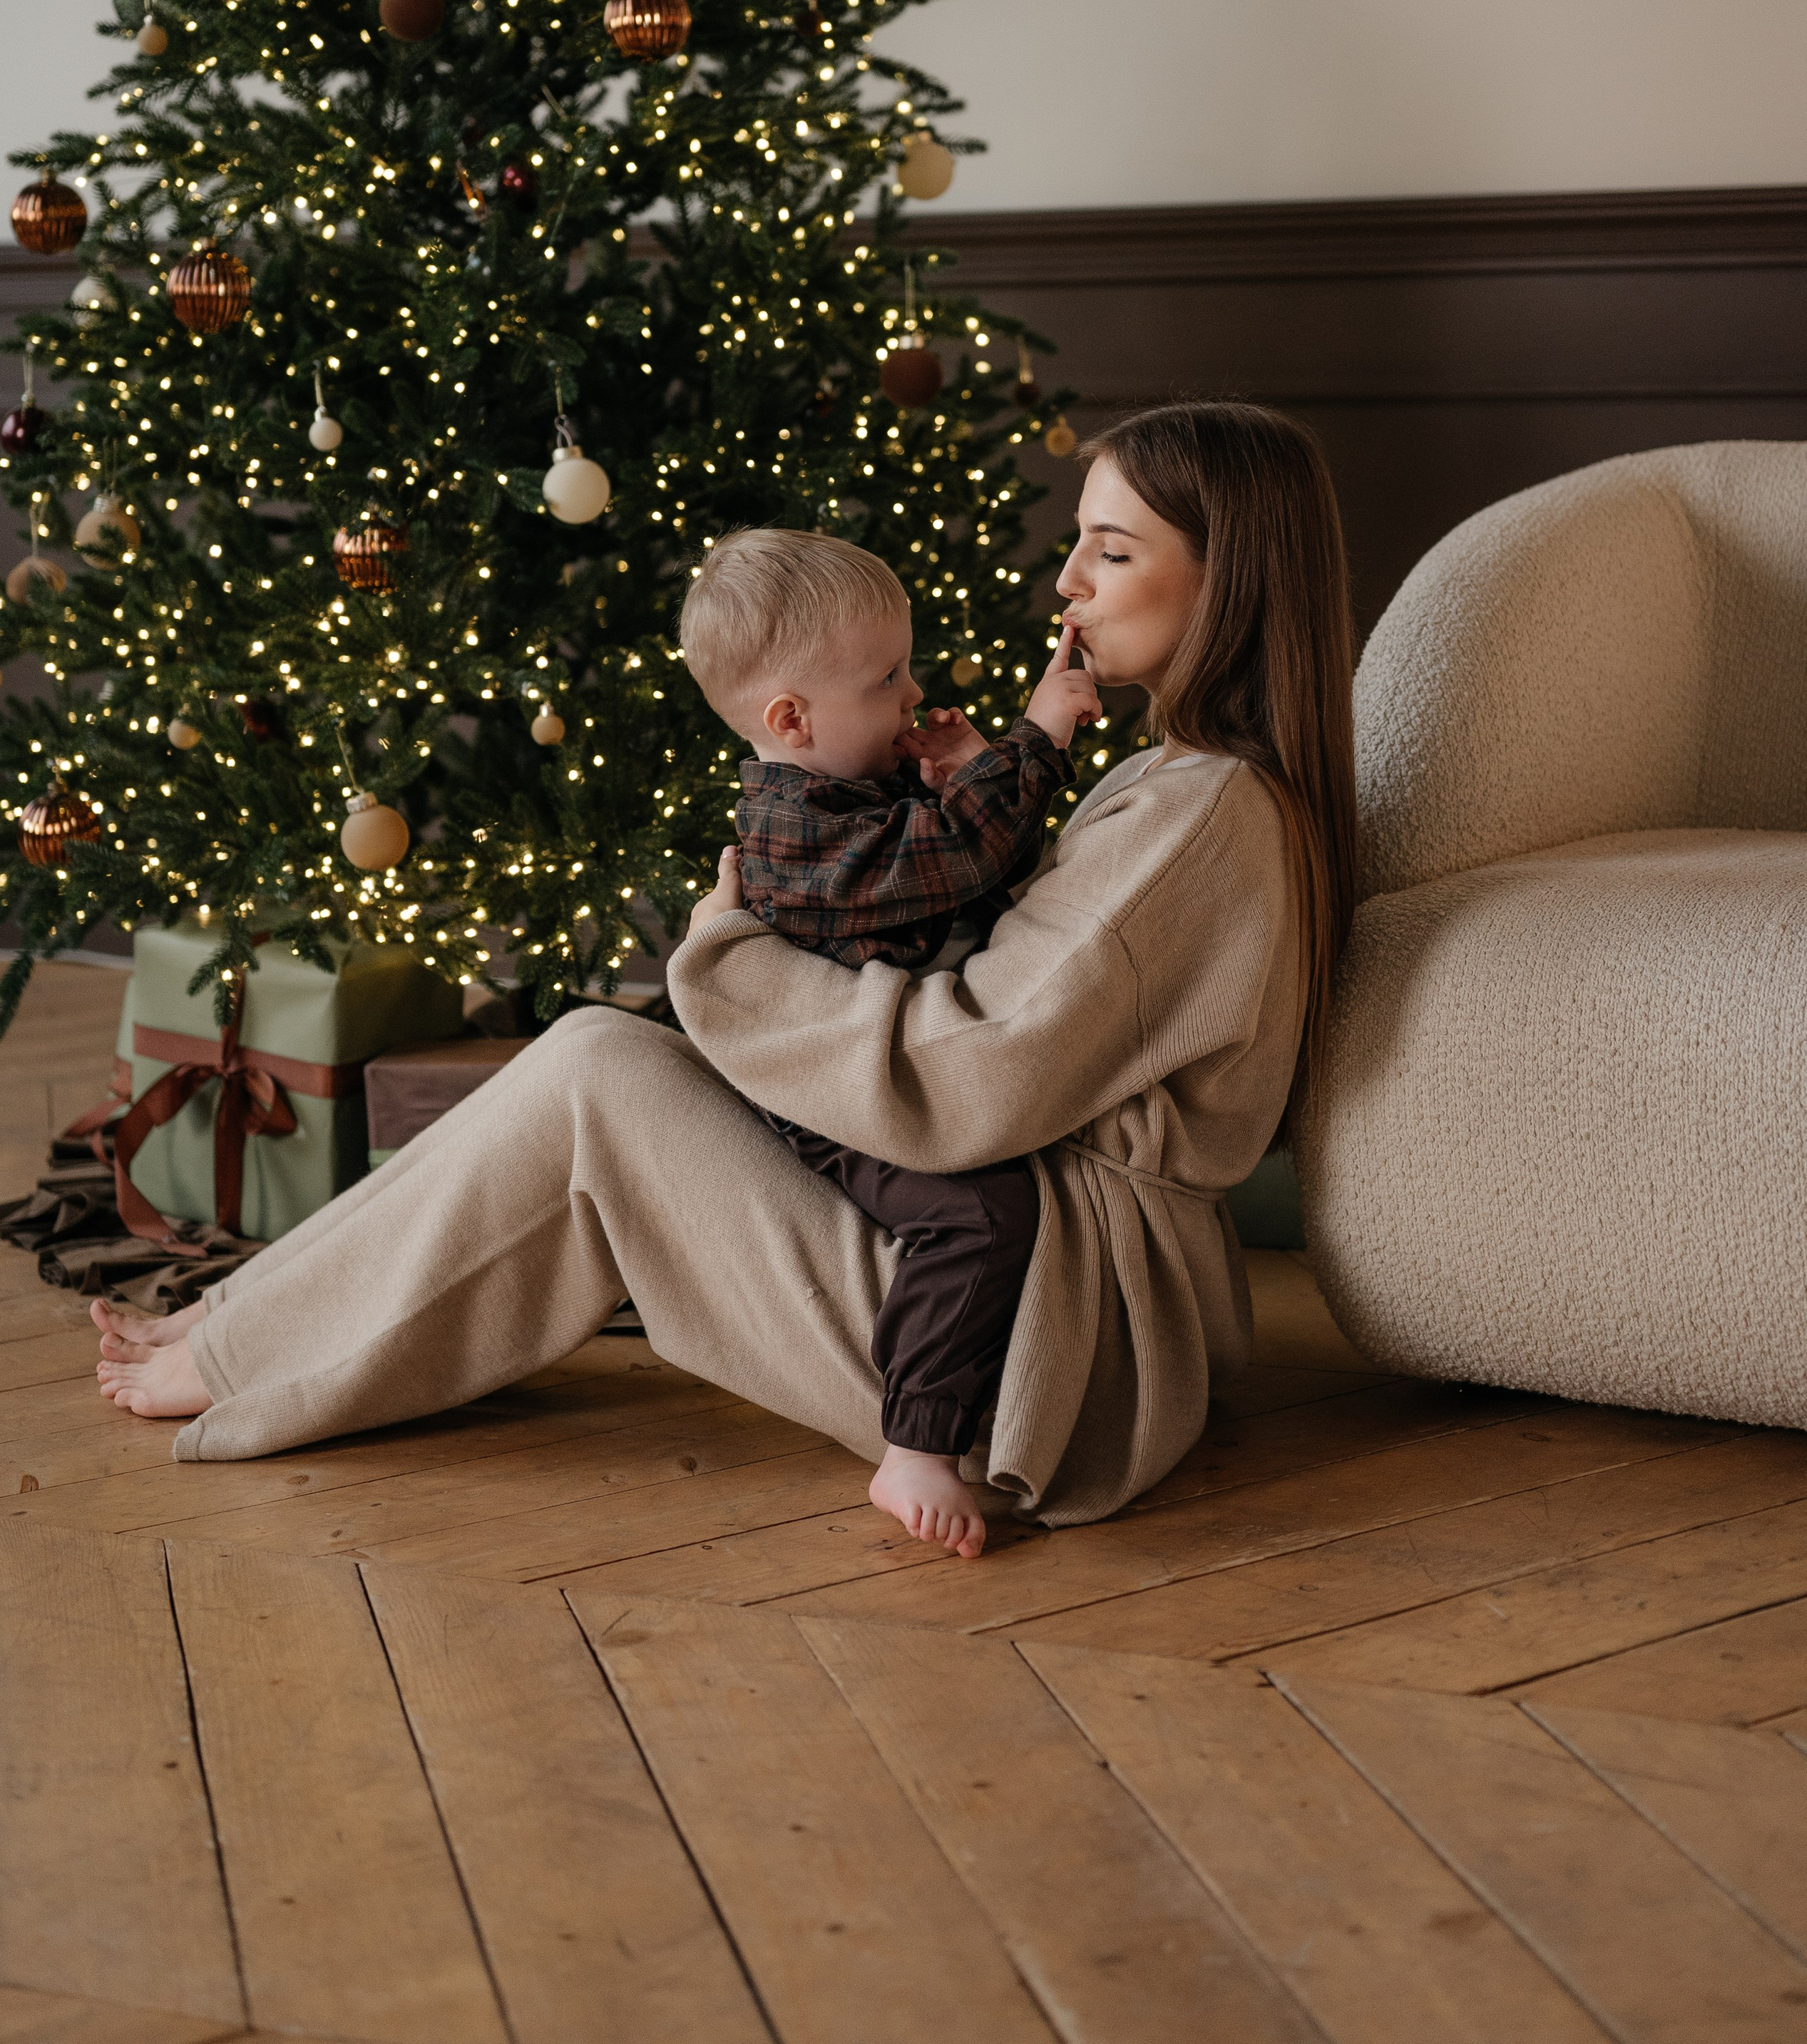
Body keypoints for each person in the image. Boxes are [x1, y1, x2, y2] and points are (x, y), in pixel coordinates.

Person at [93, 399, 1358, 1546]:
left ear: (1230, 582)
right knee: (598, 1054)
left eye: (1113, 552)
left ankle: (247, 1343)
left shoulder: (1200, 816)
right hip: (1034, 1287)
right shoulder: (1189, 788)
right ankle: (250, 1317)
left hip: (1034, 1355)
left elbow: (970, 1078)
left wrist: (733, 959)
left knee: (597, 1075)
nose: (1069, 579)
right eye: (1080, 541)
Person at [677, 525, 1101, 1556]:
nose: (914, 694)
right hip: (823, 1094)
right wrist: (1033, 742)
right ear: (791, 719)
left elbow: (969, 858)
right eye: (885, 681)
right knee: (981, 1216)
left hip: (891, 1062)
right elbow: (953, 856)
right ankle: (915, 1445)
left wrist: (964, 767)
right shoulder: (792, 829)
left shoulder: (854, 792)